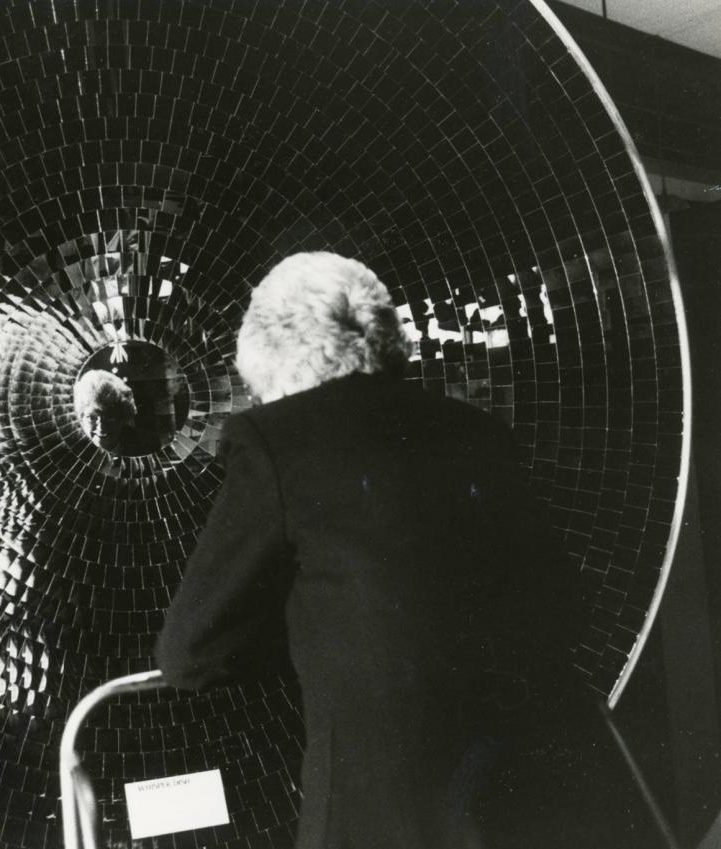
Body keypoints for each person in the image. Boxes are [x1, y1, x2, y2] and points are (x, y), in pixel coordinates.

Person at [155, 253, 659, 848]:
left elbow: (191, 653)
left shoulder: (273, 441)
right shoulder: (477, 432)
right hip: (533, 800)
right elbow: (563, 605)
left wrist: (315, 633)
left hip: (385, 813)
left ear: (273, 354)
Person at [74, 369, 161, 456]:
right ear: (81, 417)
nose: (101, 427)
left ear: (123, 418)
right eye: (92, 418)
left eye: (110, 418)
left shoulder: (147, 445)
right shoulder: (72, 454)